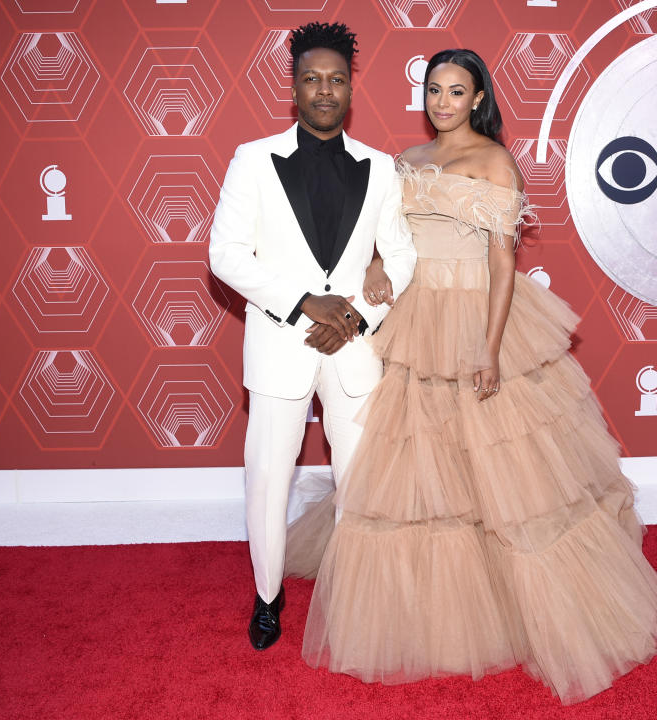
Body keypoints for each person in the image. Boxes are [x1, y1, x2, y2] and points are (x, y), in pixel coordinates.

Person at [301, 49, 657, 703]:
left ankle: (519, 601)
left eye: (456, 91)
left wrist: (491, 348)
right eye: (434, 91)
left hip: (477, 312)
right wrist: (372, 266)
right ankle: (436, 600)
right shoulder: (406, 163)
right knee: (422, 458)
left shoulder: (495, 162)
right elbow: (387, 237)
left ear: (478, 98)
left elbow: (504, 264)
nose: (442, 102)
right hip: (417, 315)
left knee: (505, 472)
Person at [208, 22, 416, 651]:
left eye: (335, 79)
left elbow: (401, 256)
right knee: (269, 477)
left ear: (350, 87)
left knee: (359, 482)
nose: (324, 90)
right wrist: (305, 307)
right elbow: (226, 255)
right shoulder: (253, 158)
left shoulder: (381, 169)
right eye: (310, 79)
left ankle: (352, 594)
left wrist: (352, 318)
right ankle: (267, 597)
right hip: (280, 344)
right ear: (293, 87)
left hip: (352, 348)